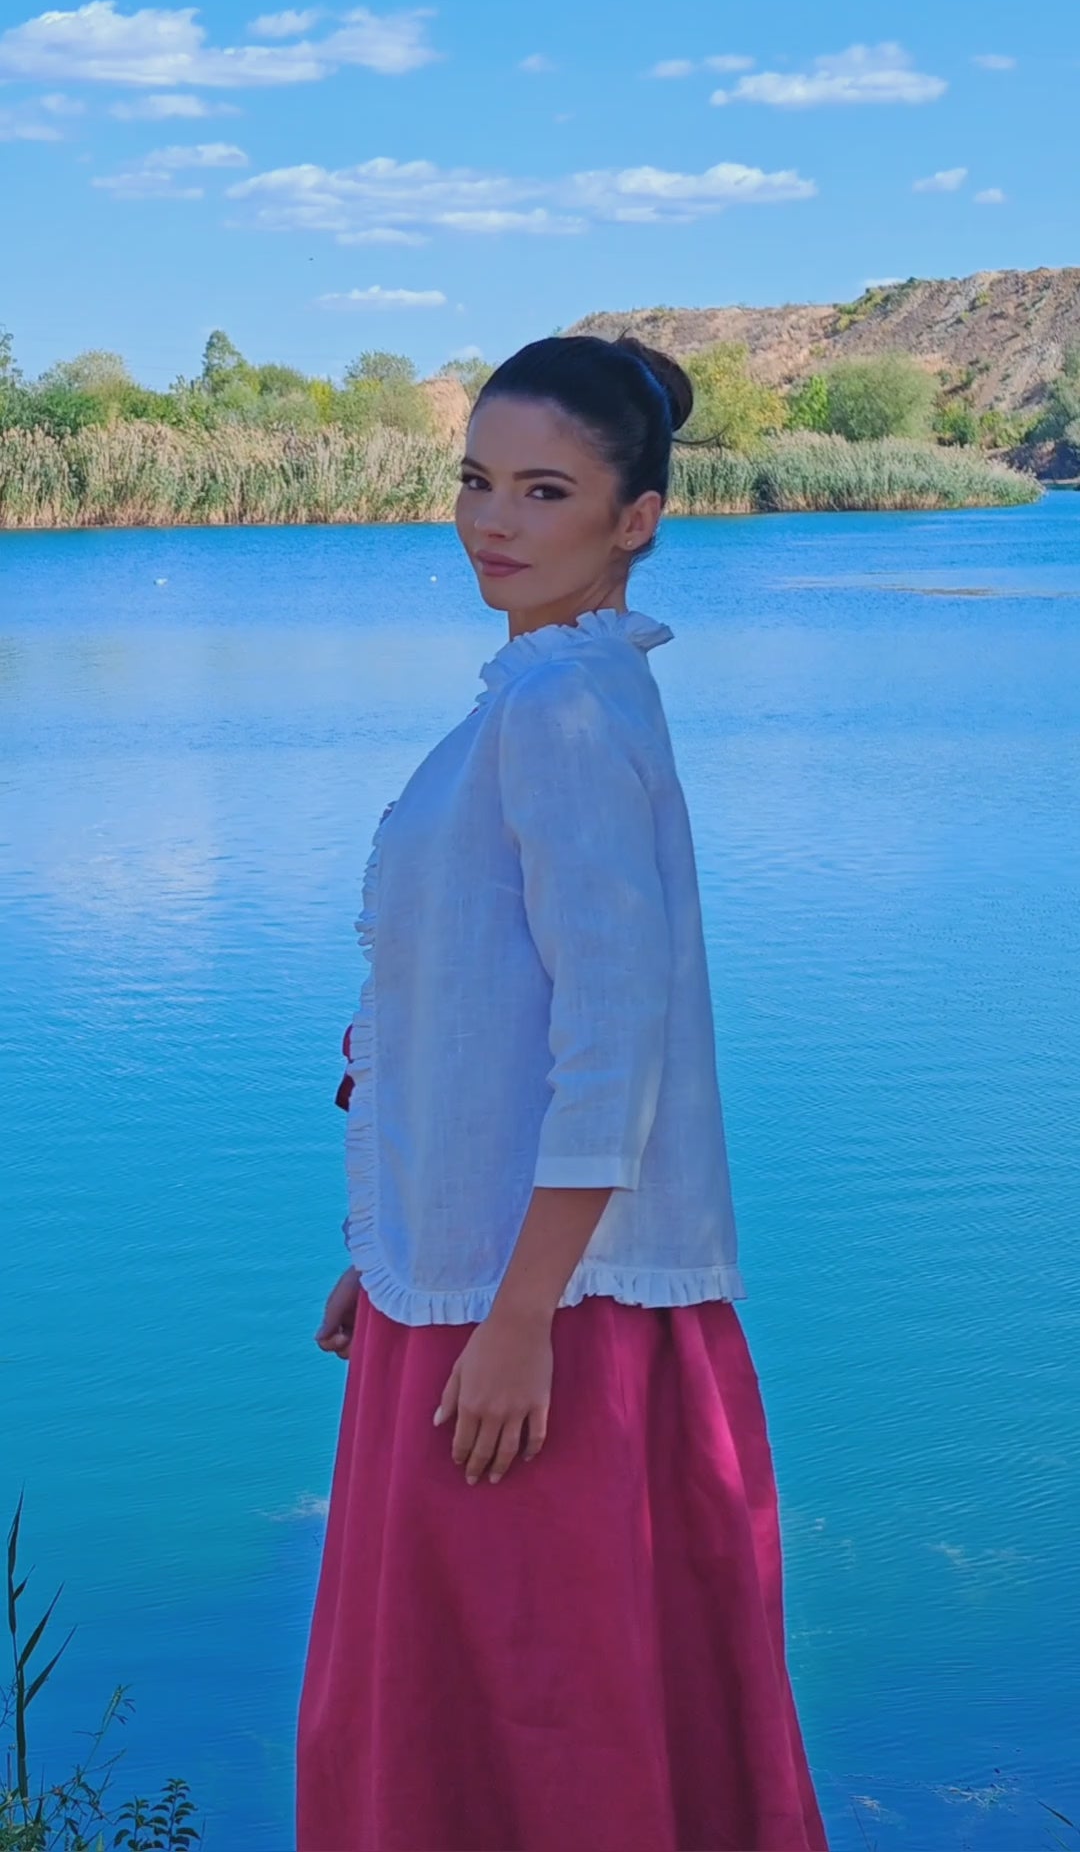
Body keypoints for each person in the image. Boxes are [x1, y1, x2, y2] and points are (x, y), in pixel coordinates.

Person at [296, 334, 829, 1852]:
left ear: (635, 517)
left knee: (529, 1718)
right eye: (477, 480)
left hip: (546, 1315)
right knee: (523, 1707)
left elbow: (613, 1041)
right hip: (480, 1279)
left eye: (545, 490)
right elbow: (481, 1018)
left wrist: (521, 1318)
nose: (493, 520)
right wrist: (393, 1242)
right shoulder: (555, 689)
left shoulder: (566, 711)